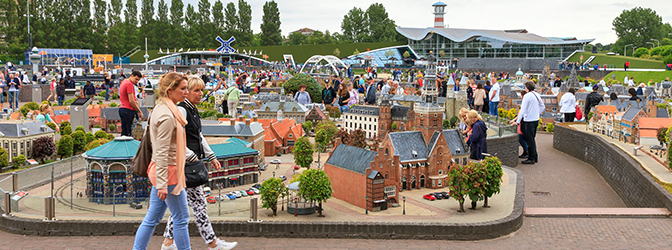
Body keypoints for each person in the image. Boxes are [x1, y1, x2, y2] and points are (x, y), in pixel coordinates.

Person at [160, 77, 237, 250]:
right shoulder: (183, 110)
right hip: (186, 166)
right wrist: (190, 155)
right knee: (199, 205)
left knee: (181, 209)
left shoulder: (192, 110)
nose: (200, 94)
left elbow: (198, 136)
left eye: (201, 90)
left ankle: (168, 243)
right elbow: (174, 137)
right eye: (196, 90)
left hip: (187, 164)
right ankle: (212, 243)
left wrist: (211, 156)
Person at [133, 72, 190, 250]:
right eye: (183, 88)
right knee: (181, 218)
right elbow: (162, 151)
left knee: (152, 218)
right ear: (170, 90)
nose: (186, 92)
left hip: (160, 170)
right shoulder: (168, 116)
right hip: (169, 172)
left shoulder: (160, 108)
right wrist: (163, 184)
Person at [511, 81, 545, 165]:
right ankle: (534, 156)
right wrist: (537, 113)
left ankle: (531, 158)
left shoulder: (527, 96)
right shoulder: (537, 95)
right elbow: (543, 107)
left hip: (528, 120)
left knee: (529, 140)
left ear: (527, 87)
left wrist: (517, 122)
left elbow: (522, 110)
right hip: (535, 120)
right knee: (532, 139)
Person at [119, 71, 144, 137]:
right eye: (136, 79)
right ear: (132, 76)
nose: (137, 81)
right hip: (129, 110)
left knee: (124, 133)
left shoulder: (124, 82)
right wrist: (139, 111)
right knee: (131, 134)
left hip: (122, 109)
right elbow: (131, 100)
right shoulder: (129, 84)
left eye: (138, 80)